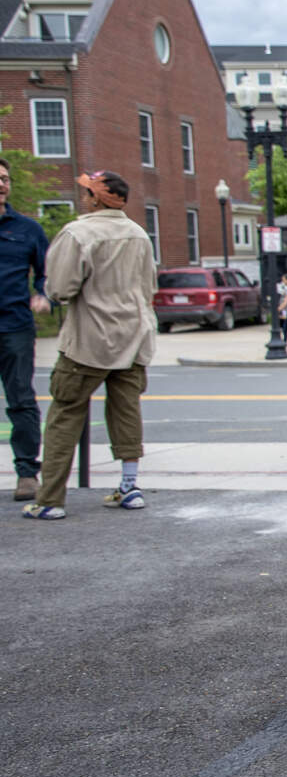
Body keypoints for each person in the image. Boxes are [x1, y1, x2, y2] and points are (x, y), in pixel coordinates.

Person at [22, 171, 157, 520]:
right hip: (133, 337)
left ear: (97, 199)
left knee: (65, 414)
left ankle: (50, 499)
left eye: (86, 192)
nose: (83, 196)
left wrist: (48, 295)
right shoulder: (139, 234)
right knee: (126, 412)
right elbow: (148, 286)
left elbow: (61, 288)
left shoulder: (78, 233)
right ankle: (129, 487)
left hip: (88, 341)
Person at [0, 156, 53, 500]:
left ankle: (27, 474)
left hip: (14, 327)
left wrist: (43, 294)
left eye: (5, 178)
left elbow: (48, 272)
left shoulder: (27, 229)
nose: (2, 184)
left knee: (20, 399)